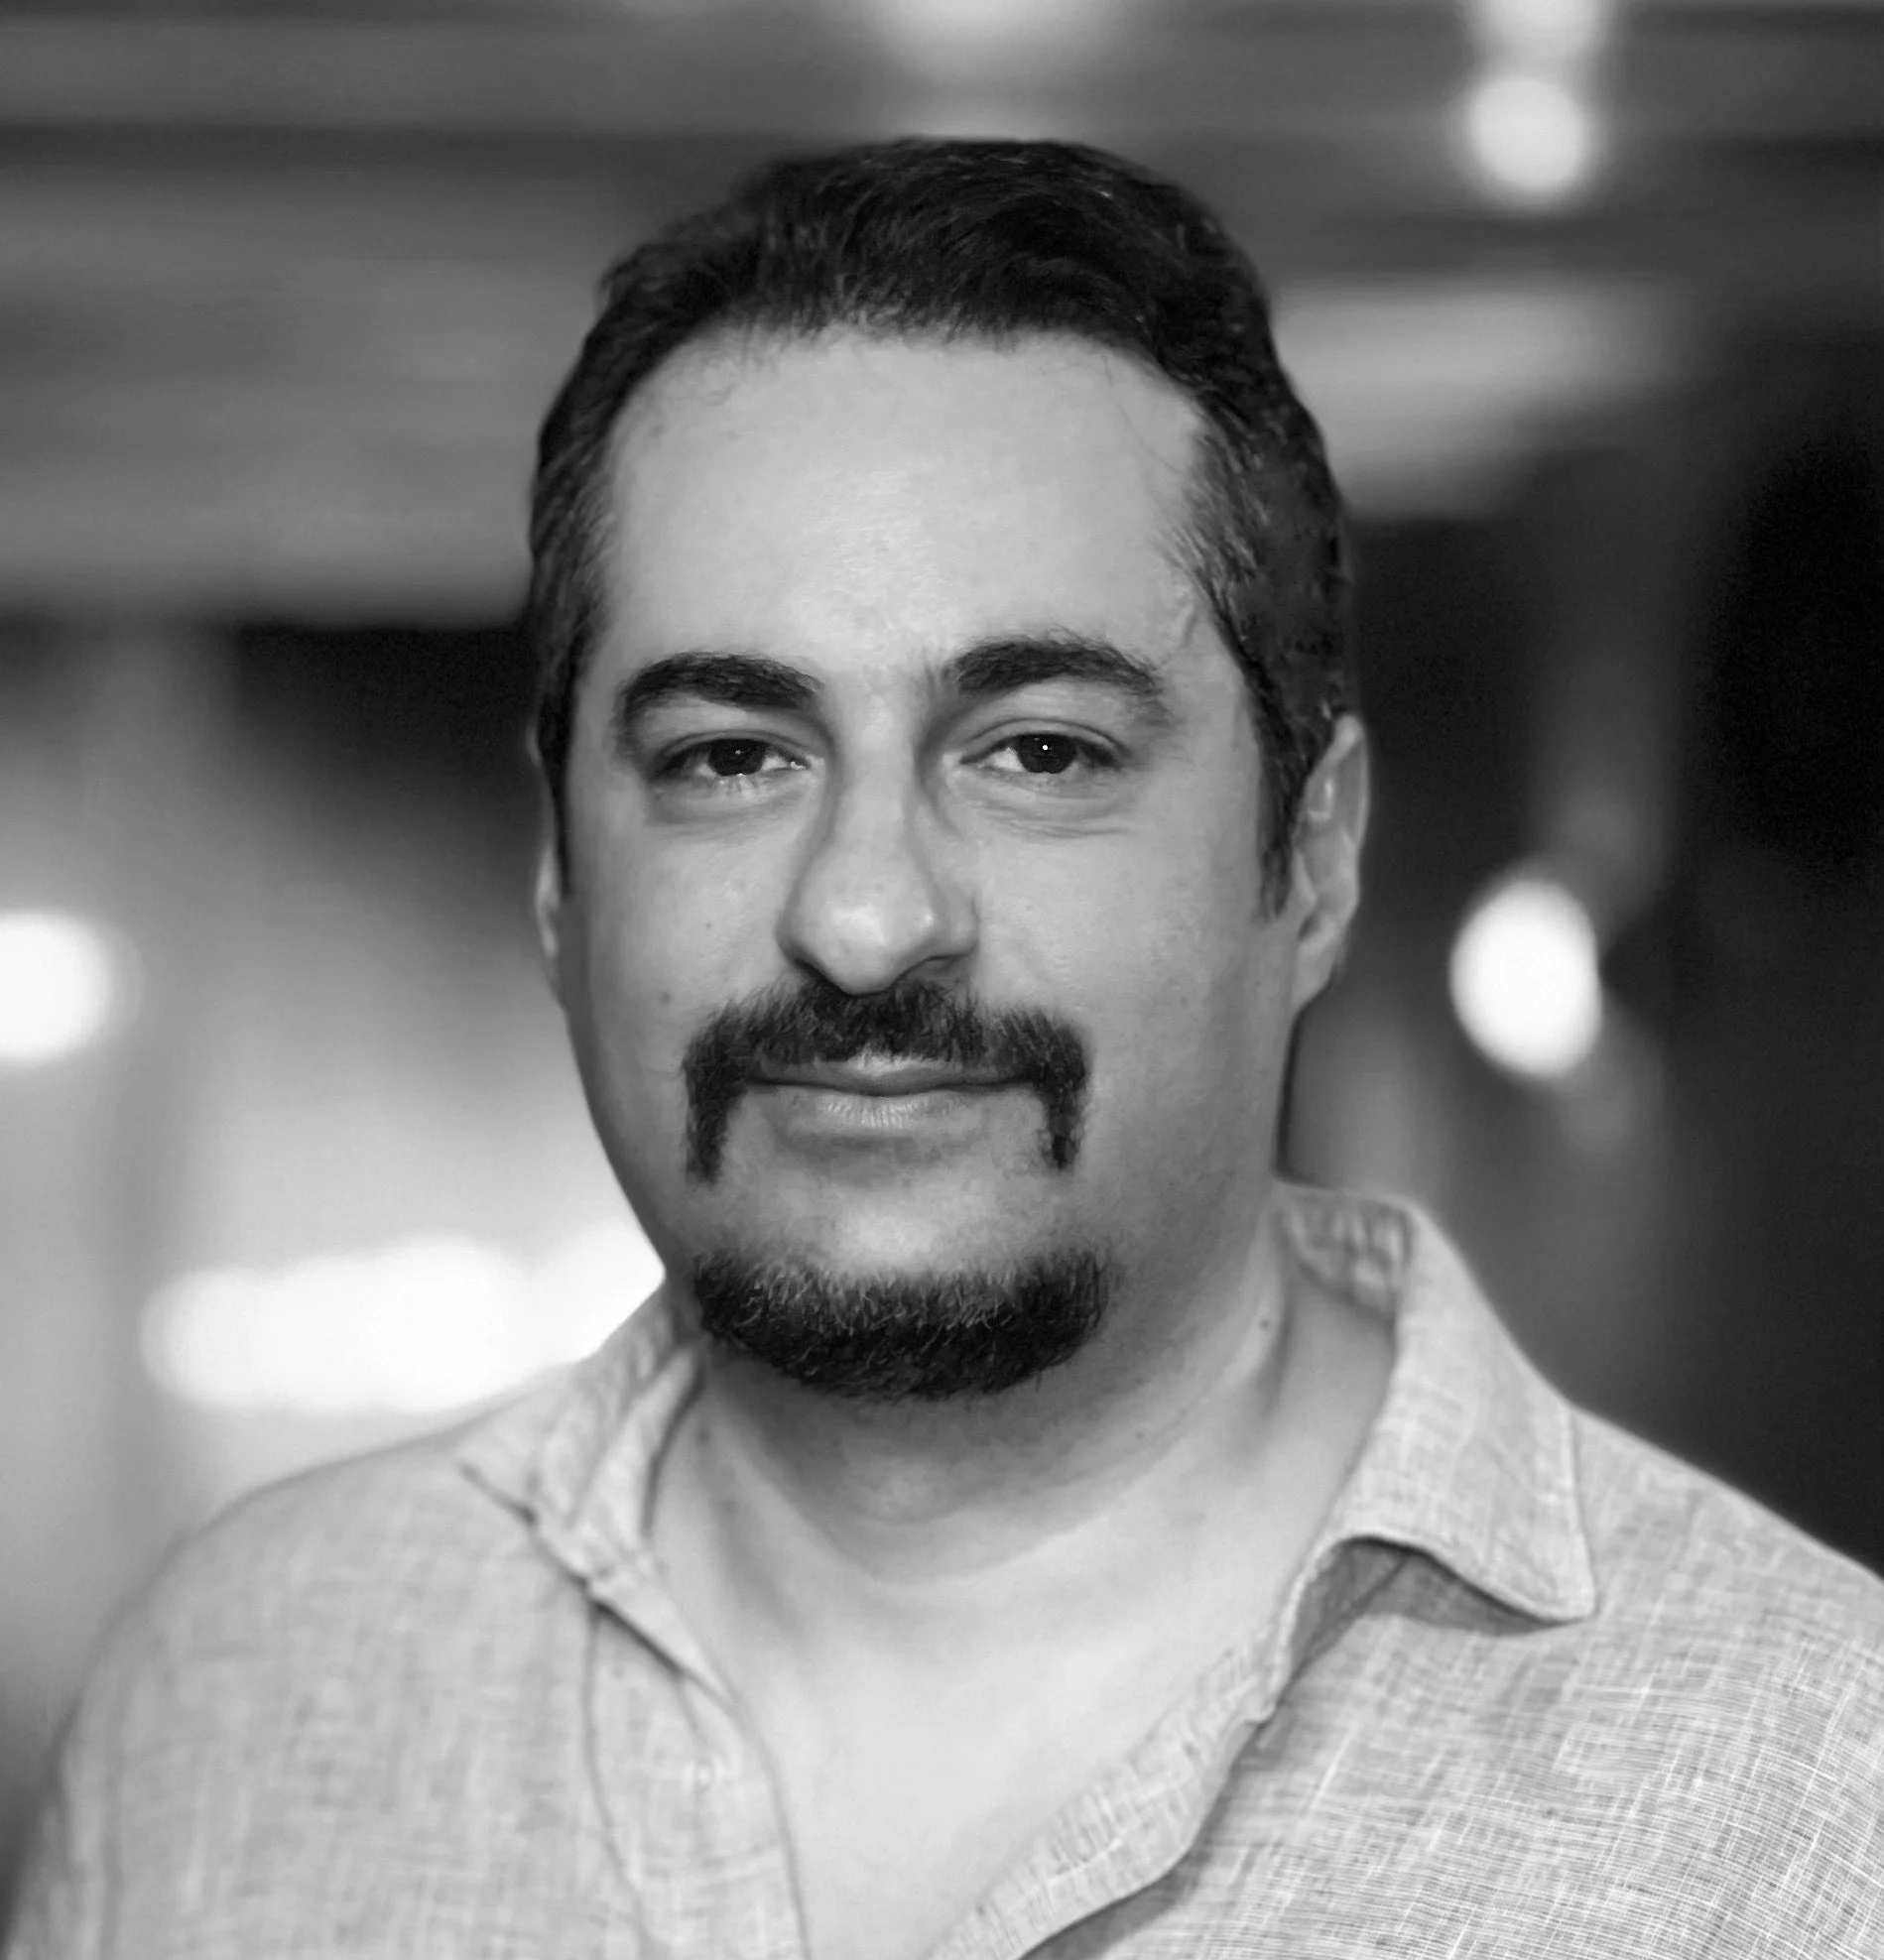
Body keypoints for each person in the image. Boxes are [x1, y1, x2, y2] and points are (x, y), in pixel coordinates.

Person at [8, 138, 1881, 1960]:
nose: (866, 915)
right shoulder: (236, 1697)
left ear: (1310, 861)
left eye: (1040, 751)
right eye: (729, 757)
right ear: (563, 881)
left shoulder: (1807, 1805)